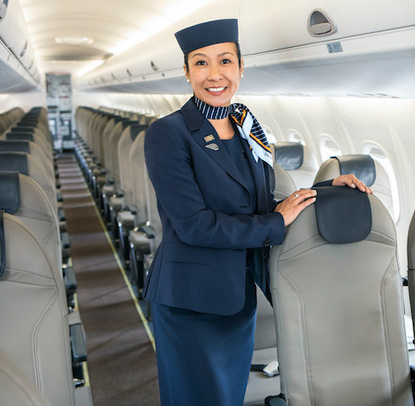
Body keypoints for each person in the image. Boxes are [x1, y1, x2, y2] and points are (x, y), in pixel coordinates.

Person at [143, 18, 372, 406]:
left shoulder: (246, 124)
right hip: (192, 301)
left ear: (241, 68)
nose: (214, 75)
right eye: (201, 64)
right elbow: (194, 226)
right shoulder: (169, 133)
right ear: (186, 72)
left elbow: (263, 202)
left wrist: (322, 191)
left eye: (225, 62)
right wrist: (275, 221)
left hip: (237, 298)